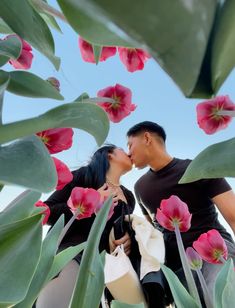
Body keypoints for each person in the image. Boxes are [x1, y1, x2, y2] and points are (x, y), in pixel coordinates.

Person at [127, 121, 235, 304]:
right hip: (176, 266)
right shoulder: (140, 187)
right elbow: (153, 232)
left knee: (219, 299)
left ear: (146, 138)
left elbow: (232, 215)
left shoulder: (199, 169)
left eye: (130, 145)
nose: (128, 153)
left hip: (214, 253)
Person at [36, 145, 137, 308]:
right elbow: (49, 210)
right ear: (109, 155)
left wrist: (128, 238)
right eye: (123, 149)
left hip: (100, 266)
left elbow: (120, 227)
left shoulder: (129, 197)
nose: (129, 152)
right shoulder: (83, 175)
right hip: (71, 251)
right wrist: (92, 199)